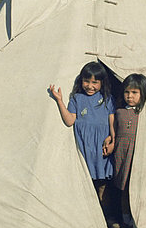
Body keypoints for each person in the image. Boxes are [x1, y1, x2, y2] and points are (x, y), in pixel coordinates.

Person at [50, 62, 116, 212]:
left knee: (102, 185)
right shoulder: (77, 99)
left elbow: (112, 122)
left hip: (101, 149)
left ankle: (107, 217)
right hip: (85, 149)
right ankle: (90, 216)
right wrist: (59, 100)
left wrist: (113, 140)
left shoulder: (107, 99)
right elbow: (69, 121)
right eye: (86, 81)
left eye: (95, 82)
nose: (90, 86)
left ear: (102, 83)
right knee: (86, 185)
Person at [104, 73, 146, 228]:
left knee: (136, 186)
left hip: (136, 153)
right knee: (123, 187)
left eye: (134, 93)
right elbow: (114, 132)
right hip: (122, 153)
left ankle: (137, 221)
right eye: (127, 92)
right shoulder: (120, 112)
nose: (130, 96)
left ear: (143, 93)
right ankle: (125, 222)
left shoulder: (144, 113)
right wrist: (110, 139)